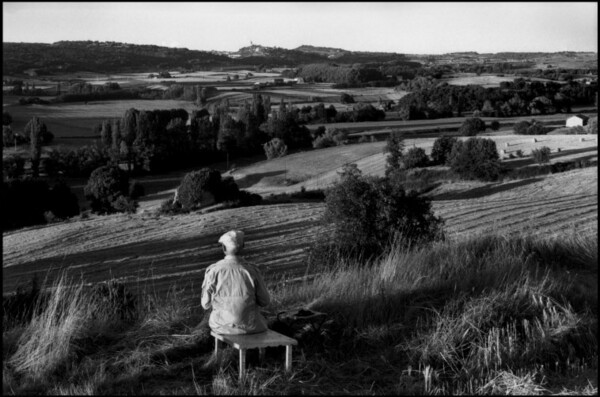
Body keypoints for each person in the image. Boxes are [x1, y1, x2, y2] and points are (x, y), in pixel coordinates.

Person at [201, 230, 270, 335]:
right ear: (243, 246)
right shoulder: (252, 270)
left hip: (221, 326)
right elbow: (265, 301)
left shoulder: (213, 271)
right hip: (251, 327)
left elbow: (205, 304)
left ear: (223, 248)